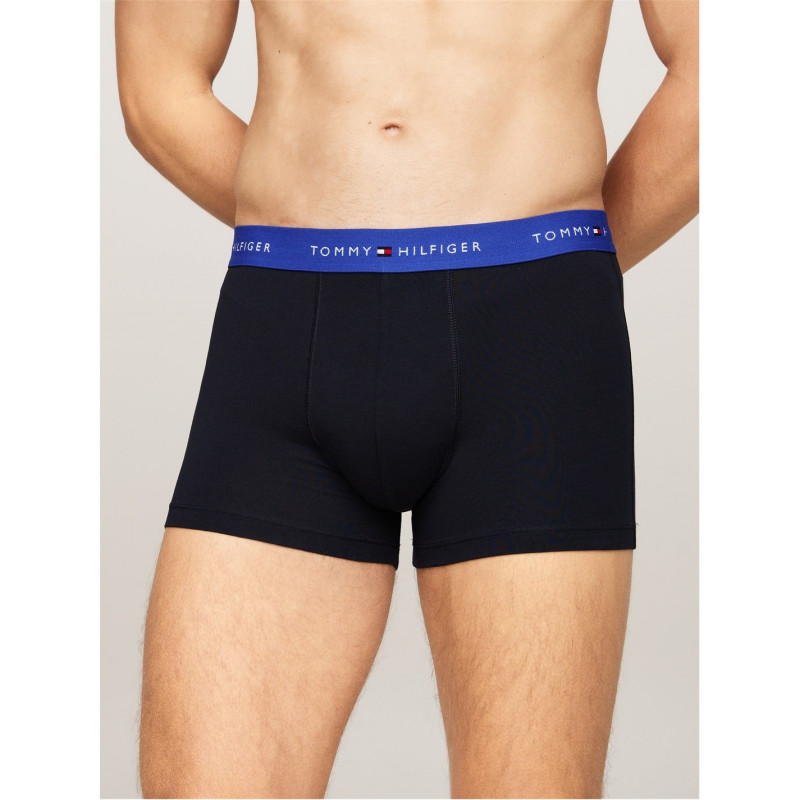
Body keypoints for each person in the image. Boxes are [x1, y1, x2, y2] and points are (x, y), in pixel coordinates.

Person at [115, 0, 698, 797]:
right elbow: (158, 86)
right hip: (289, 325)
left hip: (530, 342)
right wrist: (314, 220)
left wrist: (557, 270)